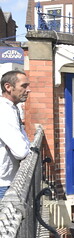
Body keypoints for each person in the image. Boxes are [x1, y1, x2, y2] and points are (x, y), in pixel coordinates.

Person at [0, 70, 31, 200]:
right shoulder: (4, 110)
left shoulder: (12, 108)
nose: (28, 90)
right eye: (24, 86)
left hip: (7, 180)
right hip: (3, 183)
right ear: (8, 87)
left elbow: (24, 139)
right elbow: (21, 151)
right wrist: (26, 145)